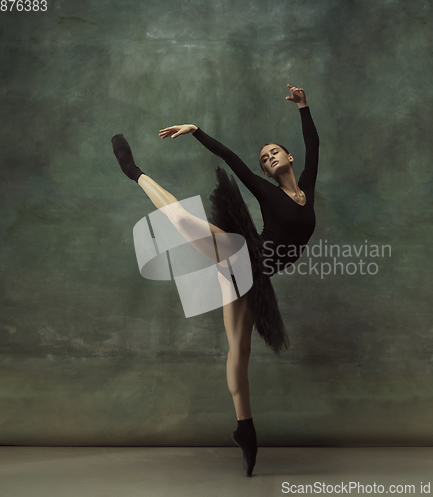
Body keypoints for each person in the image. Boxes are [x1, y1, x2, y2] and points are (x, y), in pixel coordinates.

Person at [111, 84, 320, 477]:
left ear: (289, 157)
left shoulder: (307, 186)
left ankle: (245, 430)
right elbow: (233, 159)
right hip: (245, 254)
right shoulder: (264, 190)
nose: (268, 157)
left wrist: (304, 106)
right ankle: (133, 172)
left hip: (251, 280)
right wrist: (196, 130)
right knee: (184, 221)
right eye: (264, 158)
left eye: (274, 151)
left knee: (239, 354)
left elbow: (314, 141)